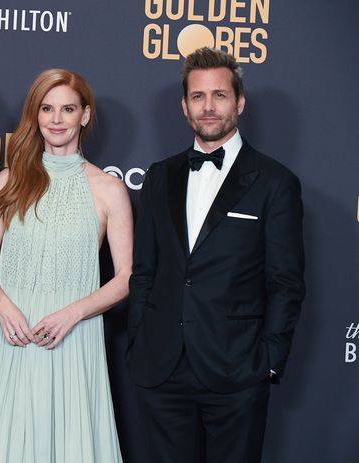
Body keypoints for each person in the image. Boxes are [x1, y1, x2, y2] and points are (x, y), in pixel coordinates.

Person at [127, 47, 305, 463]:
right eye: (198, 96)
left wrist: (268, 363)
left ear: (239, 102)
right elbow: (144, 270)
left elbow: (286, 282)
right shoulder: (159, 176)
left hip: (237, 370)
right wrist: (139, 341)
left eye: (219, 96)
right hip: (162, 367)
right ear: (184, 106)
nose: (208, 107)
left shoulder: (276, 183)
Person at [0, 69, 133, 462]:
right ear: (35, 115)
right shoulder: (9, 181)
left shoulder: (109, 189)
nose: (56, 119)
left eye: (67, 109)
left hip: (73, 334)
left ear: (85, 115)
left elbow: (127, 277)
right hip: (11, 333)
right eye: (47, 109)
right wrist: (3, 307)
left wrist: (73, 314)